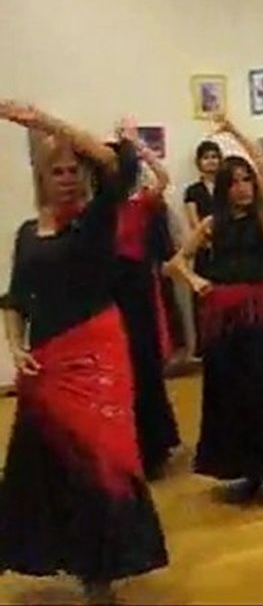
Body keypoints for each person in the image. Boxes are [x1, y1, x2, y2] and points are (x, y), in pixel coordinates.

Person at [0, 101, 168, 604]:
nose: (69, 178)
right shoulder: (28, 235)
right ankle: (65, 554)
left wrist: (43, 122)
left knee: (101, 460)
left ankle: (104, 568)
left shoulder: (96, 222)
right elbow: (15, 298)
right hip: (46, 362)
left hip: (96, 357)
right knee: (47, 462)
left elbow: (117, 166)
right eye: (58, 170)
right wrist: (14, 347)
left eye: (75, 169)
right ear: (43, 178)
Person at [166, 114, 263, 512]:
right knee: (233, 397)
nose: (244, 188)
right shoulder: (213, 224)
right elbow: (176, 262)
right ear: (224, 189)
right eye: (235, 182)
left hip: (260, 317)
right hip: (223, 323)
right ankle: (251, 471)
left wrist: (234, 133)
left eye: (246, 181)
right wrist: (195, 281)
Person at [109, 117, 181, 480]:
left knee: (144, 367)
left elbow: (164, 179)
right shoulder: (96, 211)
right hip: (109, 294)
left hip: (137, 291)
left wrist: (137, 145)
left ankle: (153, 446)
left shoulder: (140, 204)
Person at [182, 139, 222, 358]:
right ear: (199, 162)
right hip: (204, 249)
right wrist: (205, 236)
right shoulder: (193, 191)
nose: (211, 161)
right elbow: (193, 220)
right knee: (203, 298)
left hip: (227, 250)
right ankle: (203, 348)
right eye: (206, 157)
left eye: (214, 156)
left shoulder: (227, 187)